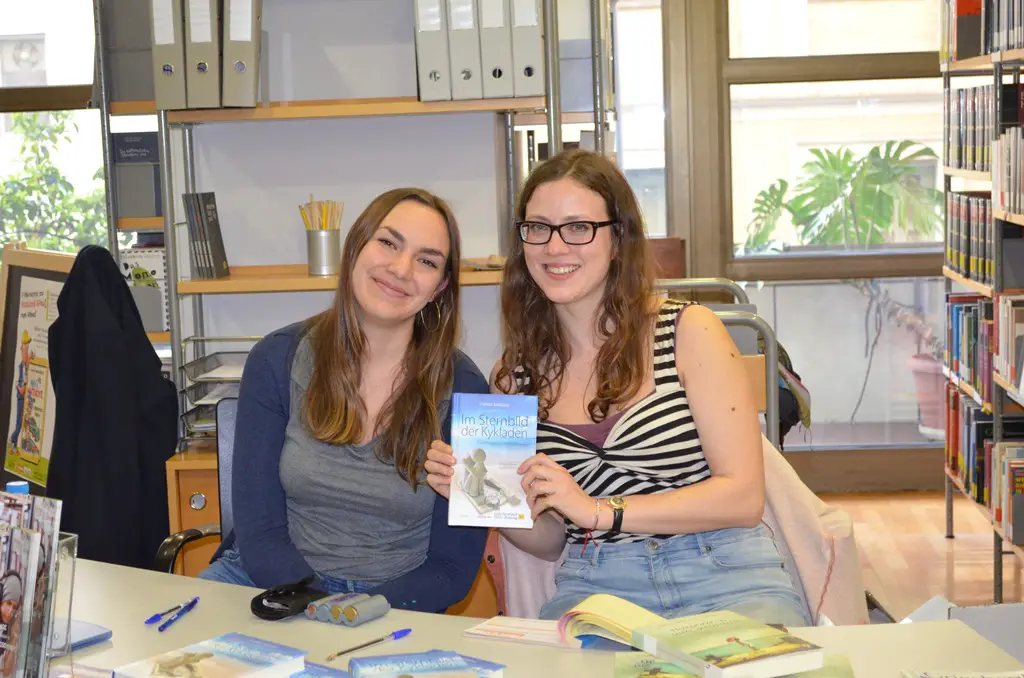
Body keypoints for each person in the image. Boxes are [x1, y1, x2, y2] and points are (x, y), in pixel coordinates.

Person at [425, 150, 810, 626]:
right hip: (598, 583)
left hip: (724, 570)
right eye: (538, 227)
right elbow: (550, 541)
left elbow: (743, 499)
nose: (555, 247)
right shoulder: (512, 376)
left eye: (578, 227)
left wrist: (598, 510)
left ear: (617, 240)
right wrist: (479, 497)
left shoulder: (690, 331)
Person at [199, 188, 490, 614]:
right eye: (387, 242)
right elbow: (259, 533)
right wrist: (319, 606)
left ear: (440, 287)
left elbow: (452, 569)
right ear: (355, 247)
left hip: (394, 603)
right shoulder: (276, 358)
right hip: (269, 581)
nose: (400, 269)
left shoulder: (468, 389)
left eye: (427, 261)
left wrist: (354, 611)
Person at [0, 571, 21, 677]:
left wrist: (14, 639)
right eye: (8, 603)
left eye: (14, 607)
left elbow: (6, 671)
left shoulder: (7, 628)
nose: (10, 611)